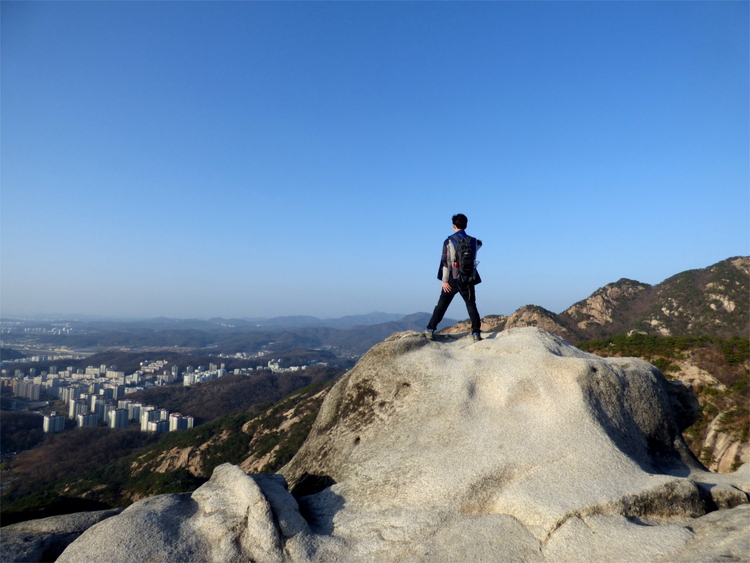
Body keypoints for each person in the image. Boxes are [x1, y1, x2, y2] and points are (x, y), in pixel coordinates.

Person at [424, 213, 483, 342]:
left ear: (454, 226)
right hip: (468, 278)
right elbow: (479, 246)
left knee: (442, 305)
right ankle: (476, 333)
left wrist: (444, 281)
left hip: (452, 278)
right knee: (471, 305)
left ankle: (430, 330)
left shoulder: (449, 241)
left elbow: (446, 263)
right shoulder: (473, 241)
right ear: (466, 225)